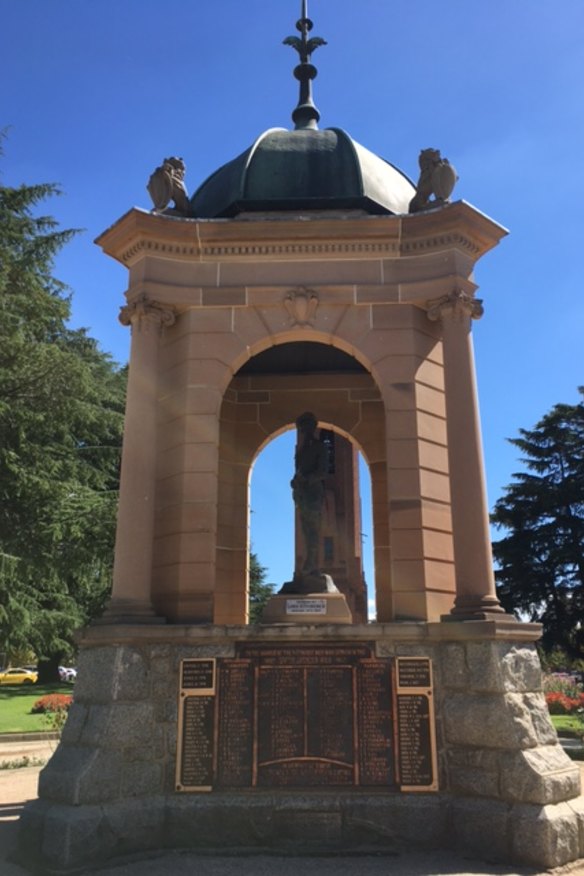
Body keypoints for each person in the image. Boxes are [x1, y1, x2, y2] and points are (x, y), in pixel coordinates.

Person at [291, 412, 328, 575]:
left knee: (313, 529)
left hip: (313, 493)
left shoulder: (320, 447)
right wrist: (295, 480)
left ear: (311, 427)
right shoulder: (302, 449)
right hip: (301, 494)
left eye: (304, 427)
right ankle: (309, 563)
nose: (302, 431)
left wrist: (307, 479)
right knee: (305, 529)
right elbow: (299, 470)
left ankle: (312, 563)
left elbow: (323, 472)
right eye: (300, 428)